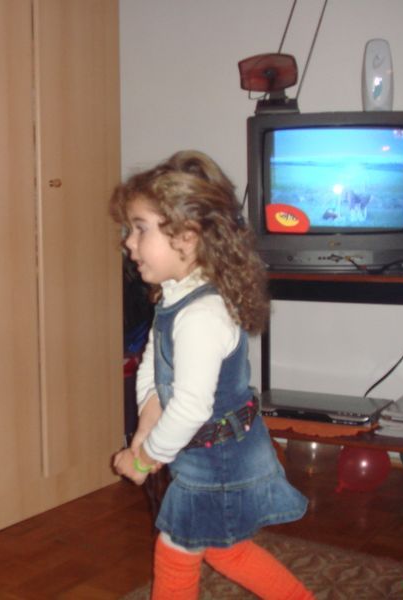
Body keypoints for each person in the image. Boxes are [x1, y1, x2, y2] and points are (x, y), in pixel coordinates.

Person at [110, 150, 312, 600]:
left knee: (176, 549)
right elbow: (153, 363)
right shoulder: (175, 295)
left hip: (219, 464)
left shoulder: (202, 315)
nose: (129, 243)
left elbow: (190, 408)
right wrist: (145, 424)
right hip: (212, 456)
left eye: (140, 229)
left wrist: (145, 460)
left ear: (187, 236)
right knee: (226, 550)